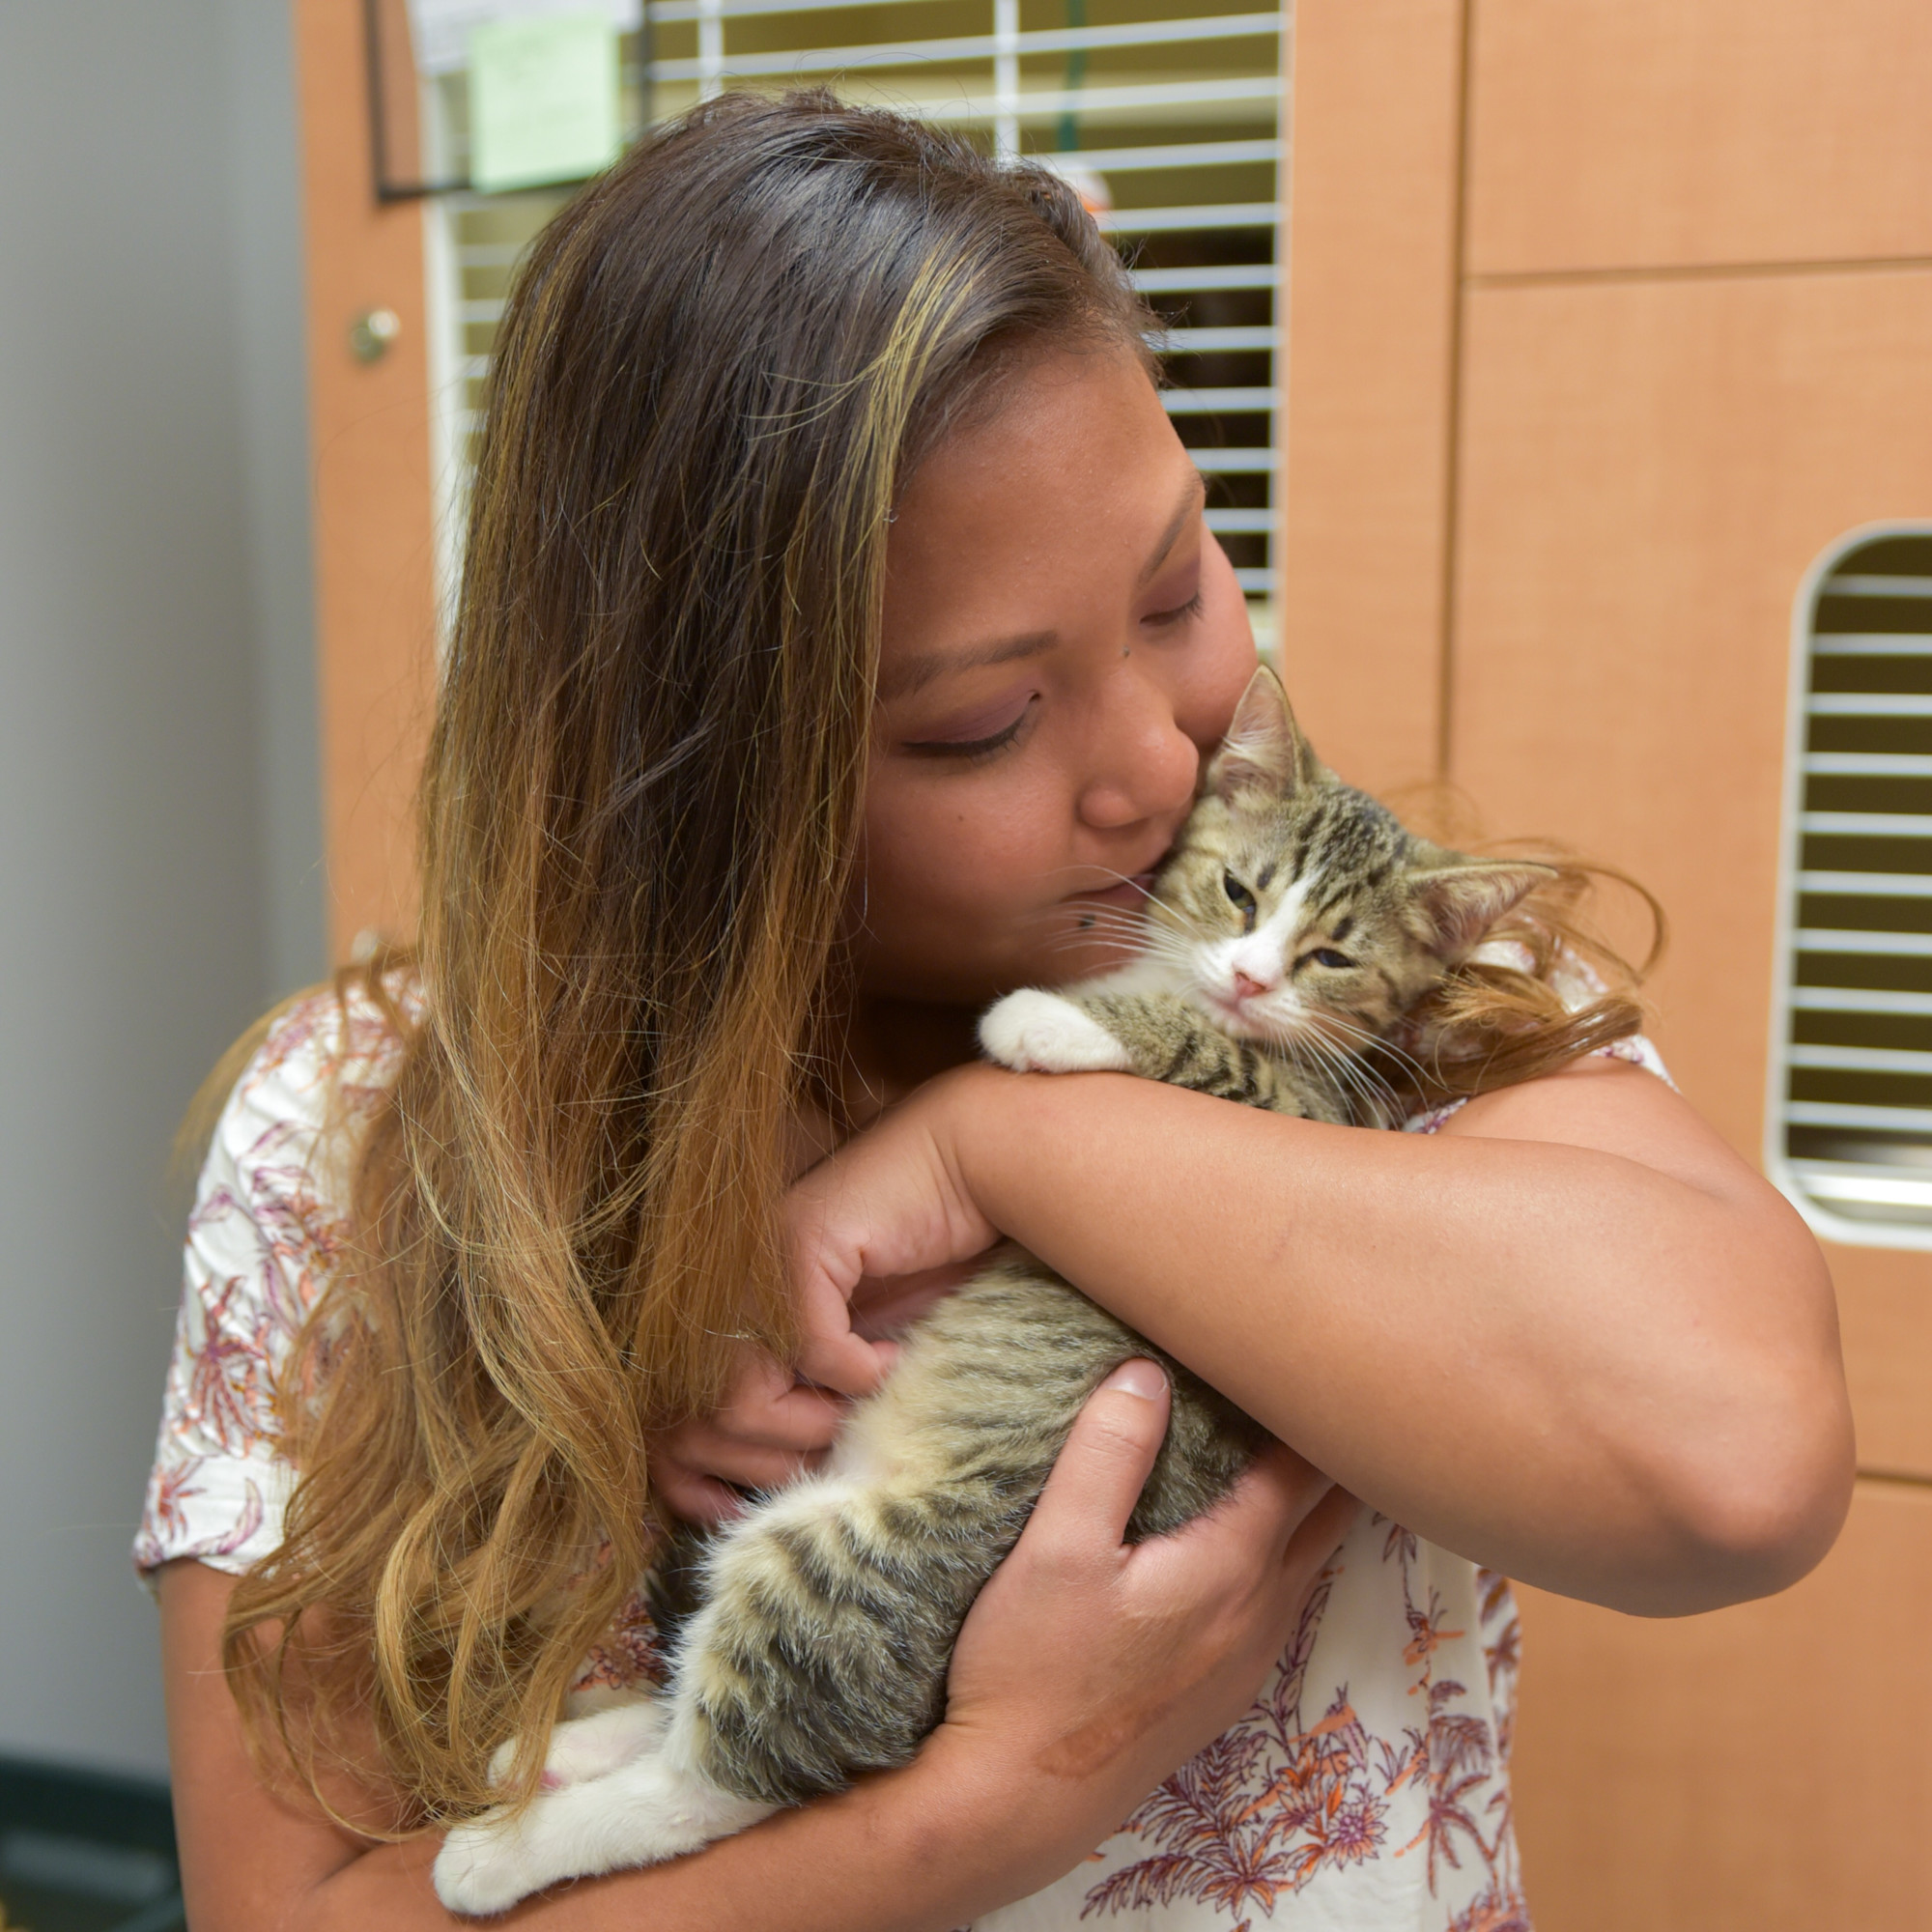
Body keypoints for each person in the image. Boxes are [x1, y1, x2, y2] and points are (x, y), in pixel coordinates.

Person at [140, 93, 1852, 1931]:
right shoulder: (365, 1120)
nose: (1154, 762)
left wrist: (998, 1140)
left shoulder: (1412, 1008)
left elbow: (1729, 1465)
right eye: (979, 724)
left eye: (1181, 584)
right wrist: (980, 1807)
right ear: (689, 778)